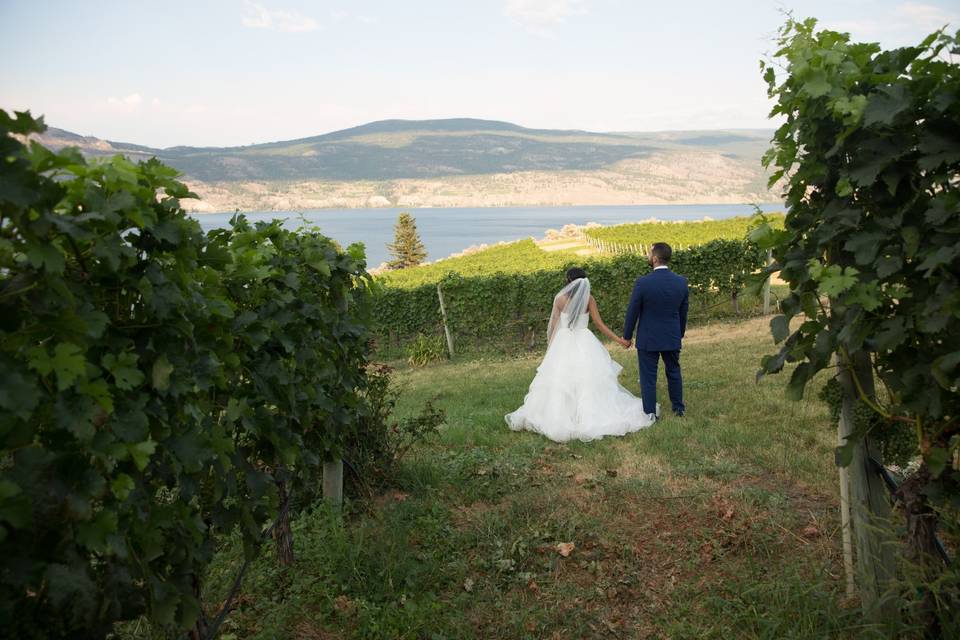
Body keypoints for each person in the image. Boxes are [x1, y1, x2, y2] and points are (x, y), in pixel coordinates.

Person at [505, 267, 656, 442]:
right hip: (585, 341)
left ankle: (560, 416)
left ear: (568, 281)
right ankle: (589, 414)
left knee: (561, 379)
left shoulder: (559, 299)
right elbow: (599, 324)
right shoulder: (588, 299)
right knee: (588, 378)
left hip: (563, 341)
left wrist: (551, 348)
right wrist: (619, 340)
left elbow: (554, 324)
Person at [622, 242, 689, 419]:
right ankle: (678, 408)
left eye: (649, 254)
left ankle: (650, 413)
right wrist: (679, 334)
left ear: (655, 258)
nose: (647, 257)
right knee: (674, 371)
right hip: (671, 336)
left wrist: (627, 336)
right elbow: (683, 312)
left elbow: (632, 311)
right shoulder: (681, 282)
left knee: (648, 377)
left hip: (648, 338)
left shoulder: (643, 283)